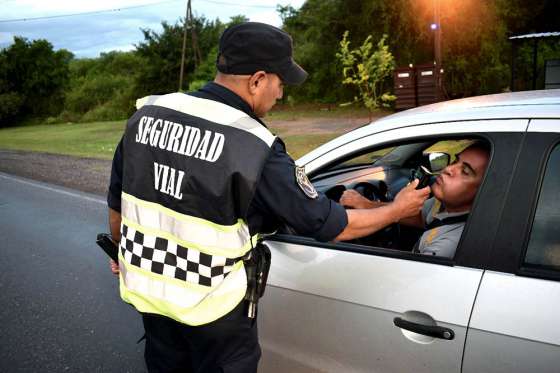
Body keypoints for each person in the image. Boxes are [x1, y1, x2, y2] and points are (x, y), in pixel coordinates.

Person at [106, 22, 429, 373]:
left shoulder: (146, 116)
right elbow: (333, 225)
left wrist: (127, 252)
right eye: (280, 82)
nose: (281, 94)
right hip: (215, 314)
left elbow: (117, 207)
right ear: (257, 79)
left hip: (151, 299)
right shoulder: (254, 146)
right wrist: (397, 209)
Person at [340, 142, 490, 258]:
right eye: (455, 161)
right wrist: (366, 204)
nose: (448, 169)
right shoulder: (445, 203)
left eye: (464, 171)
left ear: (482, 192)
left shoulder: (448, 245)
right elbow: (420, 217)